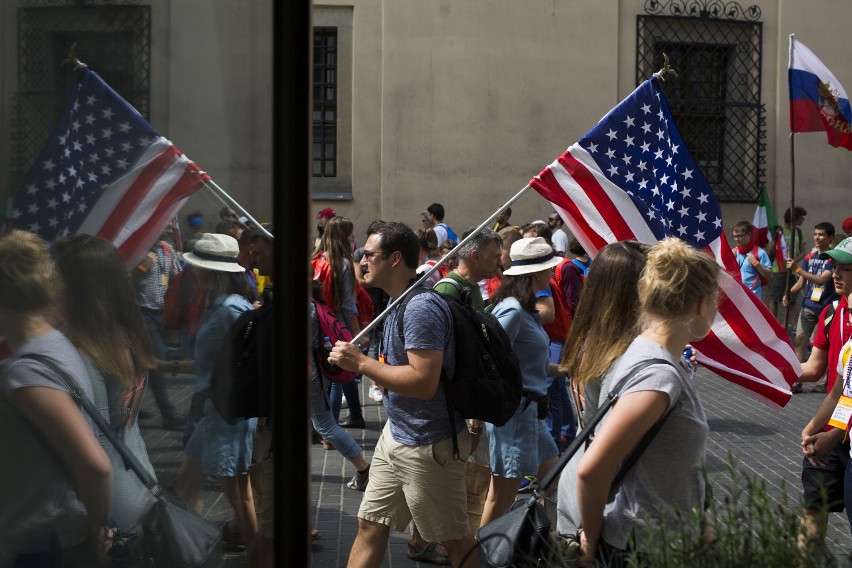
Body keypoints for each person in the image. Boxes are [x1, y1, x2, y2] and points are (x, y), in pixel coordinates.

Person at [328, 221, 477, 567]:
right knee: (369, 524)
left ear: (394, 259)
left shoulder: (420, 307)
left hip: (429, 445)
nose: (361, 261)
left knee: (455, 542)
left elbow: (424, 382)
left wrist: (361, 363)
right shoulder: (398, 301)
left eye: (368, 254)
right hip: (397, 435)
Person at [575, 238, 719, 565]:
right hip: (646, 548)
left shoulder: (651, 353)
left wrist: (700, 521)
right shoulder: (659, 377)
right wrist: (591, 541)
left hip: (658, 540)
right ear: (700, 304)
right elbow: (592, 469)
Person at [0, 231, 114, 565]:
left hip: (41, 545)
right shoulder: (53, 343)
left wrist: (98, 532)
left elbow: (95, 466)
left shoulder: (26, 373)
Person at [52, 234, 159, 535]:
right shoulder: (126, 335)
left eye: (56, 276)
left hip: (108, 511)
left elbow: (92, 447)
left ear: (78, 289)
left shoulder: (83, 354)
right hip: (139, 482)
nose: (49, 286)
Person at [556, 240, 651, 537]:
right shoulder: (621, 354)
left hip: (584, 478)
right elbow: (615, 440)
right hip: (604, 495)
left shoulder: (593, 339)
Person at [175, 233, 258, 552]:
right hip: (217, 409)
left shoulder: (230, 309)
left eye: (197, 266)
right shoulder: (221, 305)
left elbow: (246, 360)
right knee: (192, 479)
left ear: (210, 271)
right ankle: (191, 543)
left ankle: (256, 552)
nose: (193, 271)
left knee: (238, 494)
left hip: (226, 411)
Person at [478, 237, 563, 526]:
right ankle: (480, 556)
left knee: (553, 479)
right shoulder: (513, 310)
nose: (552, 274)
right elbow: (488, 357)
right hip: (516, 414)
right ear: (535, 274)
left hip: (530, 413)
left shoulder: (524, 309)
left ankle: (529, 539)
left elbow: (529, 365)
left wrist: (568, 369)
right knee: (500, 496)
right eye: (549, 269)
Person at [795, 237, 852, 553]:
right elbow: (815, 369)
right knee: (813, 509)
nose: (836, 274)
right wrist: (770, 369)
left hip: (841, 431)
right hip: (831, 425)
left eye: (846, 268)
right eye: (834, 267)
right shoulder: (831, 313)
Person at [312, 216, 370, 429]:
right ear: (344, 237)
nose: (353, 239)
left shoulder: (318, 259)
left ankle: (355, 415)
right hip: (339, 325)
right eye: (351, 235)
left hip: (320, 322)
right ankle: (332, 426)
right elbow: (348, 304)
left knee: (342, 373)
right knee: (338, 375)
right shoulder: (343, 264)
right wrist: (358, 334)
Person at [132, 225, 184, 430]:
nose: (172, 227)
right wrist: (141, 269)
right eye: (168, 221)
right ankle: (168, 414)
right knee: (156, 362)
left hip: (161, 313)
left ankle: (130, 406)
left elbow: (177, 278)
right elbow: (122, 282)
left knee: (138, 364)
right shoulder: (138, 249)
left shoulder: (167, 249)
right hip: (141, 313)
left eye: (173, 222)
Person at [786, 222, 838, 393]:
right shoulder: (810, 257)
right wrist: (789, 293)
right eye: (815, 234)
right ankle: (797, 379)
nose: (817, 237)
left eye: (821, 234)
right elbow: (802, 282)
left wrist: (797, 268)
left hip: (827, 308)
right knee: (800, 339)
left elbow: (822, 279)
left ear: (830, 237)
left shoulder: (832, 258)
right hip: (809, 304)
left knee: (829, 346)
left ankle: (826, 381)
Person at [768, 206, 808, 322]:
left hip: (792, 269)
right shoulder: (779, 230)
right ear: (794, 218)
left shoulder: (799, 232)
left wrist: (795, 261)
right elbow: (770, 249)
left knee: (792, 299)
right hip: (778, 269)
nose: (803, 220)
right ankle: (772, 323)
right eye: (801, 218)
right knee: (774, 298)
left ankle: (794, 326)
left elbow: (803, 251)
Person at [731, 220, 772, 297]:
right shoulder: (733, 252)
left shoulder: (759, 252)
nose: (737, 239)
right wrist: (730, 261)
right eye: (734, 236)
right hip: (737, 296)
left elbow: (769, 275)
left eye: (740, 236)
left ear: (749, 235)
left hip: (753, 297)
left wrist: (756, 264)